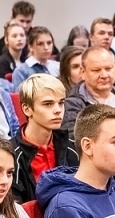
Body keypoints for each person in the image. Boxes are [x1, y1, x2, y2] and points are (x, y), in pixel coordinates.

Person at [63, 45, 115, 163]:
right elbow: (76, 150)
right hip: (111, 172)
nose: (104, 75)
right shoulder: (73, 107)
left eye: (108, 68)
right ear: (82, 72)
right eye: (96, 70)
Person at [9, 73, 75, 205]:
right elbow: (15, 208)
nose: (58, 110)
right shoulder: (11, 154)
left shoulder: (73, 147)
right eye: (48, 104)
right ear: (27, 109)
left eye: (61, 103)